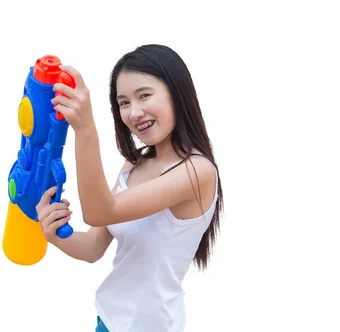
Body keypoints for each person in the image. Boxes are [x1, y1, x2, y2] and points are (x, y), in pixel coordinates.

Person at [35, 44, 223, 332]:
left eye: (144, 95)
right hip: (108, 320)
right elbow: (93, 247)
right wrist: (54, 233)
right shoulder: (133, 165)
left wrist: (85, 129)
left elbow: (99, 212)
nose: (134, 112)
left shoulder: (197, 172)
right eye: (123, 103)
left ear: (177, 92)